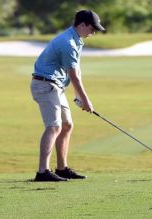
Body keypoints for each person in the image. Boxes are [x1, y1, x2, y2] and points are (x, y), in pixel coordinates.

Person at [30, 10, 105, 182]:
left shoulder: (77, 40)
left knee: (67, 125)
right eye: (92, 28)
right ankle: (43, 172)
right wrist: (86, 101)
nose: (94, 32)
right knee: (54, 127)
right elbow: (74, 76)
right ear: (82, 25)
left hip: (55, 86)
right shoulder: (68, 43)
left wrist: (80, 96)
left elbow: (76, 70)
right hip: (45, 85)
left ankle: (62, 168)